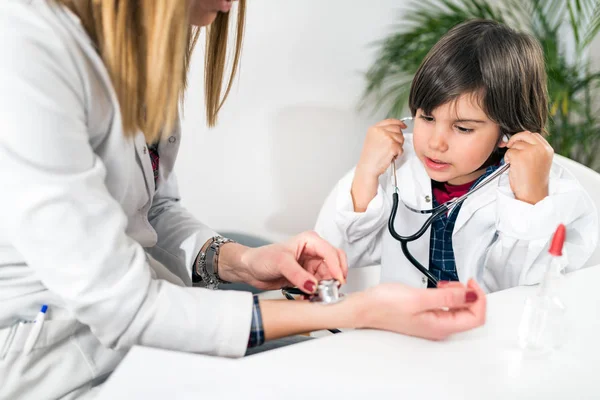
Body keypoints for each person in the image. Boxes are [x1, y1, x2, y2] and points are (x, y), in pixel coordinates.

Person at [0, 1, 486, 398]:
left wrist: (240, 260)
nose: (232, 4)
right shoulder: (24, 50)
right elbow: (127, 307)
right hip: (54, 364)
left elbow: (150, 211)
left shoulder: (136, 54)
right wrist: (353, 311)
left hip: (150, 340)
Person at [315, 19, 598, 294]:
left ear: (508, 130)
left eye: (462, 128)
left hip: (487, 336)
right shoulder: (397, 164)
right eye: (426, 117)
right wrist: (366, 173)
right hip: (401, 329)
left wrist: (530, 200)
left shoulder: (553, 190)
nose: (436, 143)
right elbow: (335, 255)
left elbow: (528, 291)